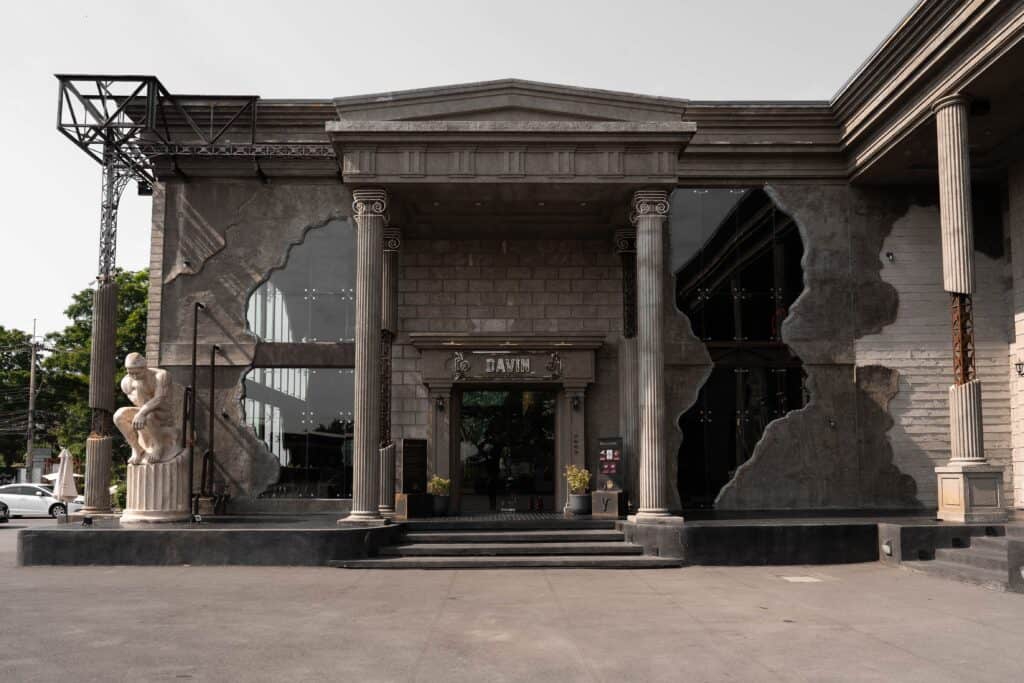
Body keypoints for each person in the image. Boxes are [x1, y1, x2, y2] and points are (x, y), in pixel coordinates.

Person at [113, 353, 180, 465]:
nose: (134, 376)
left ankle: (159, 446)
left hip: (162, 415)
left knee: (148, 415)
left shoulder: (161, 375)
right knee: (118, 416)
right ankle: (136, 448)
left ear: (145, 368)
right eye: (130, 372)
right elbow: (136, 401)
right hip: (144, 412)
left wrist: (142, 413)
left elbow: (159, 399)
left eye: (137, 372)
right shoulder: (127, 381)